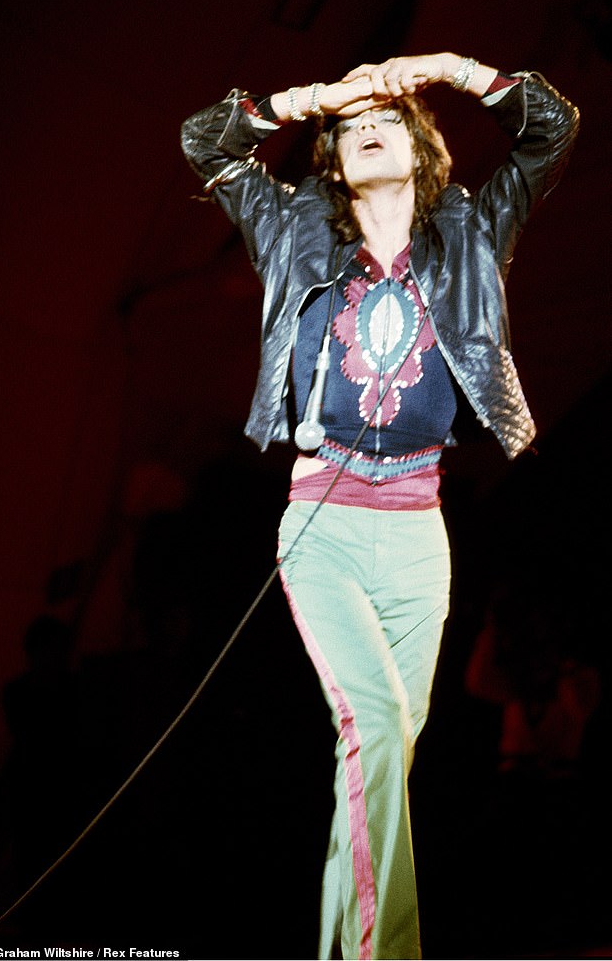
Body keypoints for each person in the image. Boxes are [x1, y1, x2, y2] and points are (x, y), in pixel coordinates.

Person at [180, 52, 579, 960]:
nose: (365, 125)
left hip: (419, 534)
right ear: (333, 158)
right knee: (374, 730)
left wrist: (450, 68)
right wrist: (308, 99)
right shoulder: (291, 229)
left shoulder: (472, 232)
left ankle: (343, 947)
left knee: (382, 762)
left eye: (389, 119)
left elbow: (554, 129)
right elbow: (205, 141)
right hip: (324, 524)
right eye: (349, 127)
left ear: (425, 148)